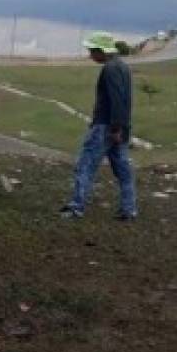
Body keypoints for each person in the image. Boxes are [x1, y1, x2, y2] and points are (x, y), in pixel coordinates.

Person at [61, 32, 137, 221]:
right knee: (123, 171)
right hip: (120, 127)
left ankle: (76, 207)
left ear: (101, 50)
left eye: (92, 51)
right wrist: (122, 127)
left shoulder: (110, 69)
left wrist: (115, 128)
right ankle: (129, 209)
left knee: (85, 165)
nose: (90, 55)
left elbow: (116, 99)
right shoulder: (123, 67)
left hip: (106, 127)